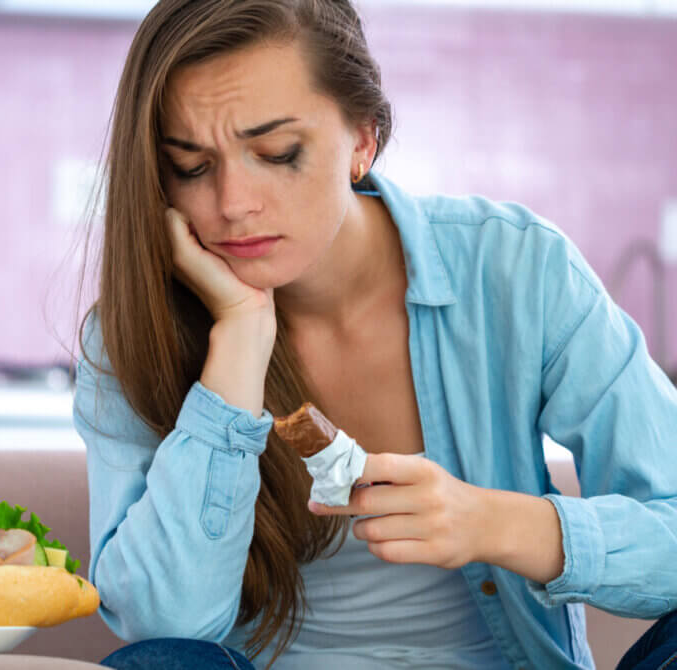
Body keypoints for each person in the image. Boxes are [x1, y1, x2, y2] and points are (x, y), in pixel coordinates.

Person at [70, 1, 677, 668]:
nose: (233, 204)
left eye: (277, 153)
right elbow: (163, 623)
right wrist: (239, 341)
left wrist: (492, 523)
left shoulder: (516, 268)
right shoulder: (132, 335)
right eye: (191, 166)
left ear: (363, 140)